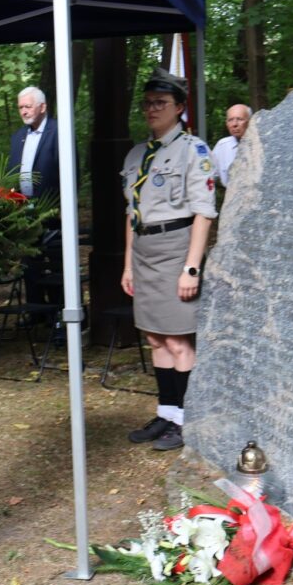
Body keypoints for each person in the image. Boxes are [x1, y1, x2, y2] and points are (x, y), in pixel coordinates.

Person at [121, 68, 217, 452]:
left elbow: (204, 213)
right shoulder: (136, 155)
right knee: (156, 337)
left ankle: (188, 420)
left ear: (179, 107)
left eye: (160, 103)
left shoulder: (195, 151)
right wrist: (128, 264)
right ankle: (167, 412)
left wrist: (192, 267)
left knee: (179, 342)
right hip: (144, 252)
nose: (151, 109)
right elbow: (132, 215)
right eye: (147, 103)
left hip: (177, 249)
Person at [8, 86, 61, 310]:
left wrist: (61, 208)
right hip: (24, 212)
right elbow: (11, 173)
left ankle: (59, 315)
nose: (24, 111)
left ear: (42, 107)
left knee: (56, 265)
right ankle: (36, 312)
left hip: (53, 212)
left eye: (28, 106)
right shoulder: (18, 137)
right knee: (30, 264)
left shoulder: (59, 131)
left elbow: (69, 172)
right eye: (20, 107)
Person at [211, 104, 251, 187]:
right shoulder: (222, 146)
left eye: (239, 119)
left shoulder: (260, 145)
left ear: (250, 121)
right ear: (226, 123)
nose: (234, 124)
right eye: (230, 120)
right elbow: (208, 175)